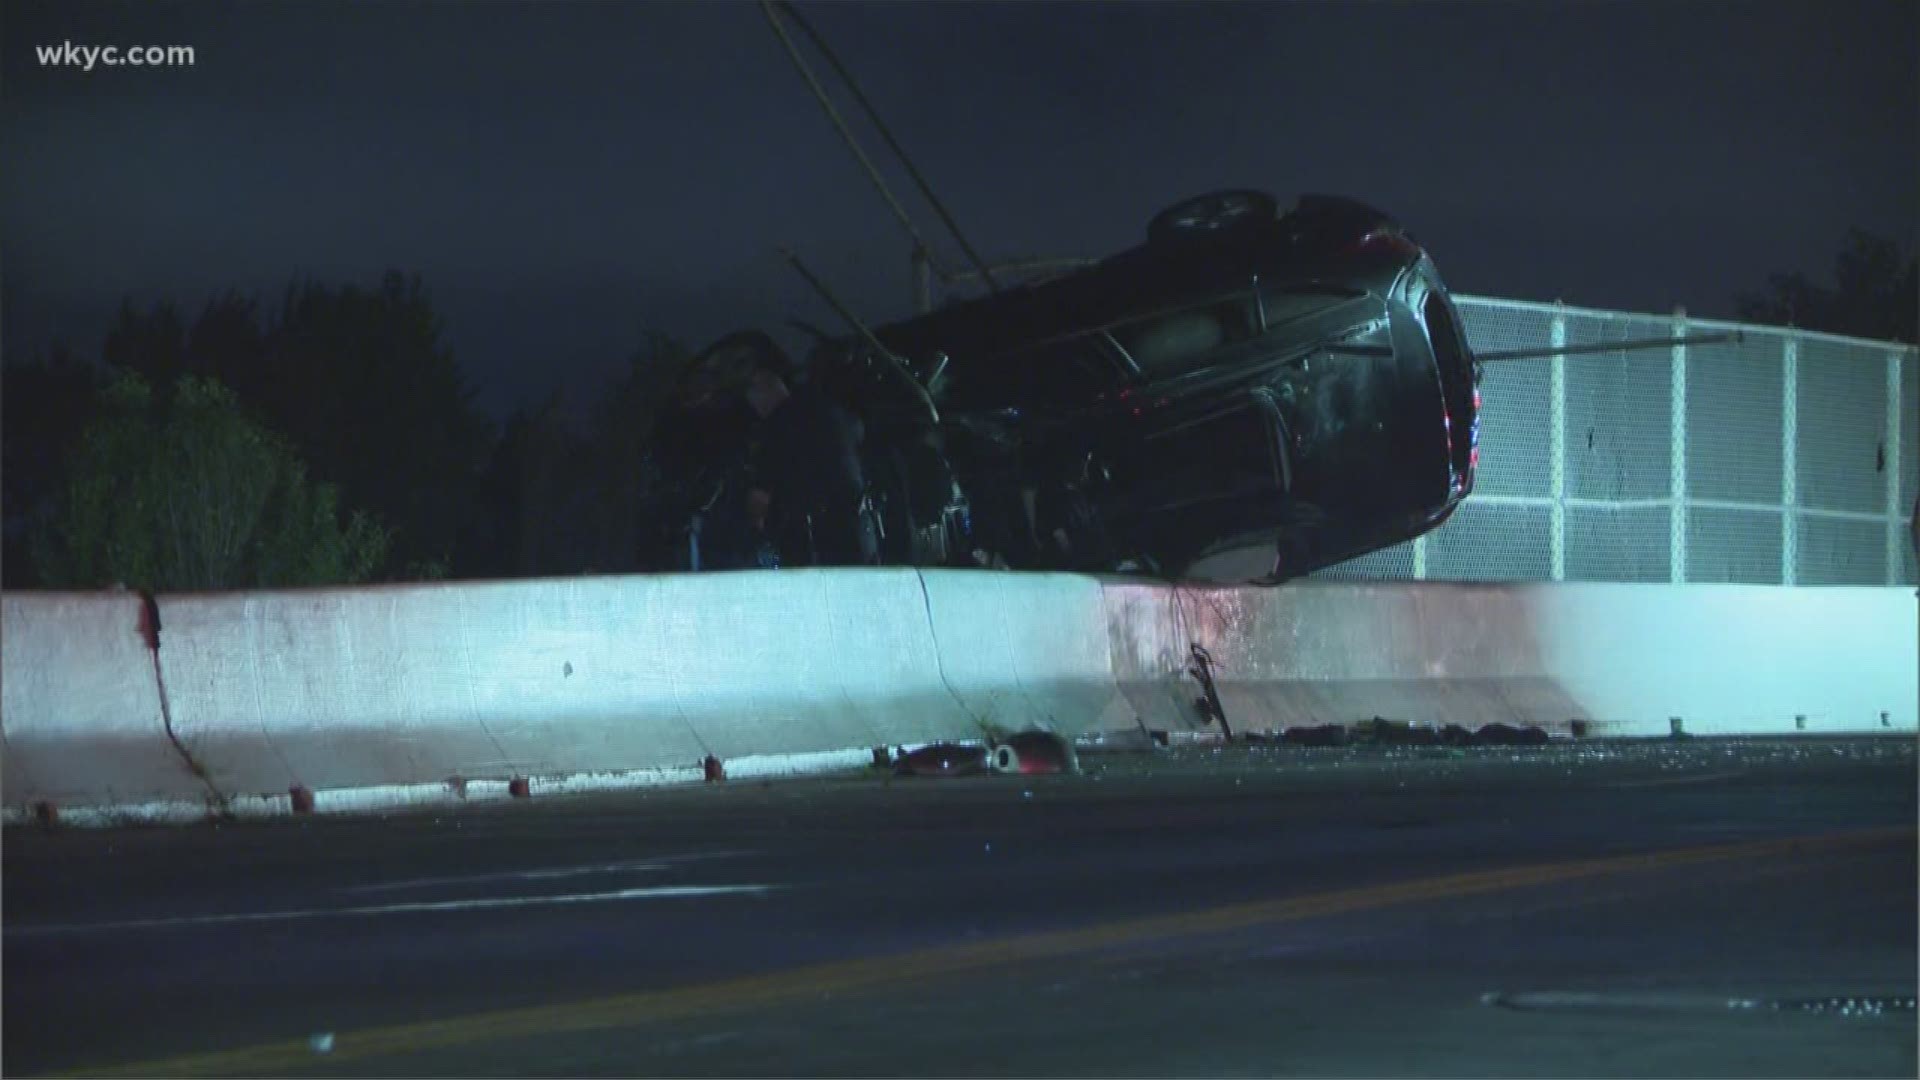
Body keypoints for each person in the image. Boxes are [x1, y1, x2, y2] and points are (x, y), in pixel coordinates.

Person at [741, 347, 876, 567]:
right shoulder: (832, 411)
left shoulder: (777, 427)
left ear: (763, 397)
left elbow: (760, 496)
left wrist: (756, 533)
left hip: (816, 541)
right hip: (859, 529)